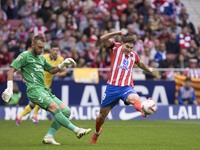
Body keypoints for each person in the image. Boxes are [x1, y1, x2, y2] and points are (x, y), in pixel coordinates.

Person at [1, 35, 91, 145]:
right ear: (33, 45)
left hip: (44, 89)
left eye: (43, 48)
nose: (41, 50)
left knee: (66, 111)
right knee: (55, 108)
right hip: (34, 90)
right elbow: (11, 70)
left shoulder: (41, 58)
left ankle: (49, 136)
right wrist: (9, 88)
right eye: (39, 47)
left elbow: (52, 70)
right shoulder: (24, 56)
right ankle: (77, 130)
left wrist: (63, 64)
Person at [90, 30, 155, 144]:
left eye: (131, 47)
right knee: (101, 116)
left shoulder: (133, 55)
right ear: (122, 43)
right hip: (112, 88)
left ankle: (142, 108)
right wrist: (116, 32)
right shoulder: (115, 47)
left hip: (126, 87)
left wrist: (148, 69)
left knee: (134, 99)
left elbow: (140, 63)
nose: (129, 49)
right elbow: (102, 39)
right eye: (127, 47)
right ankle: (97, 132)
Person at [16, 44, 67, 125]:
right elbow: (32, 66)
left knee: (34, 103)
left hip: (48, 83)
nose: (55, 52)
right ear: (50, 50)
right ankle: (34, 115)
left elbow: (64, 72)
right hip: (39, 82)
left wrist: (57, 74)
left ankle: (20, 116)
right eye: (54, 50)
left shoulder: (60, 59)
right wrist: (27, 76)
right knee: (42, 101)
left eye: (57, 50)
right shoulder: (44, 57)